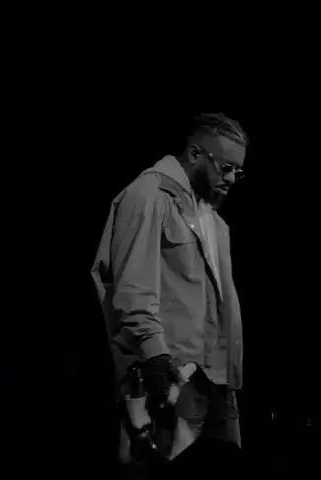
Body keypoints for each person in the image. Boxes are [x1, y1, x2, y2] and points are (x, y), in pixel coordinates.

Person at [91, 112, 249, 464]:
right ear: (195, 154)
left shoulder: (213, 219)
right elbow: (132, 287)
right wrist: (155, 360)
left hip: (216, 381)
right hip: (169, 379)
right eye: (225, 167)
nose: (231, 178)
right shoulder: (148, 194)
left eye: (238, 171)